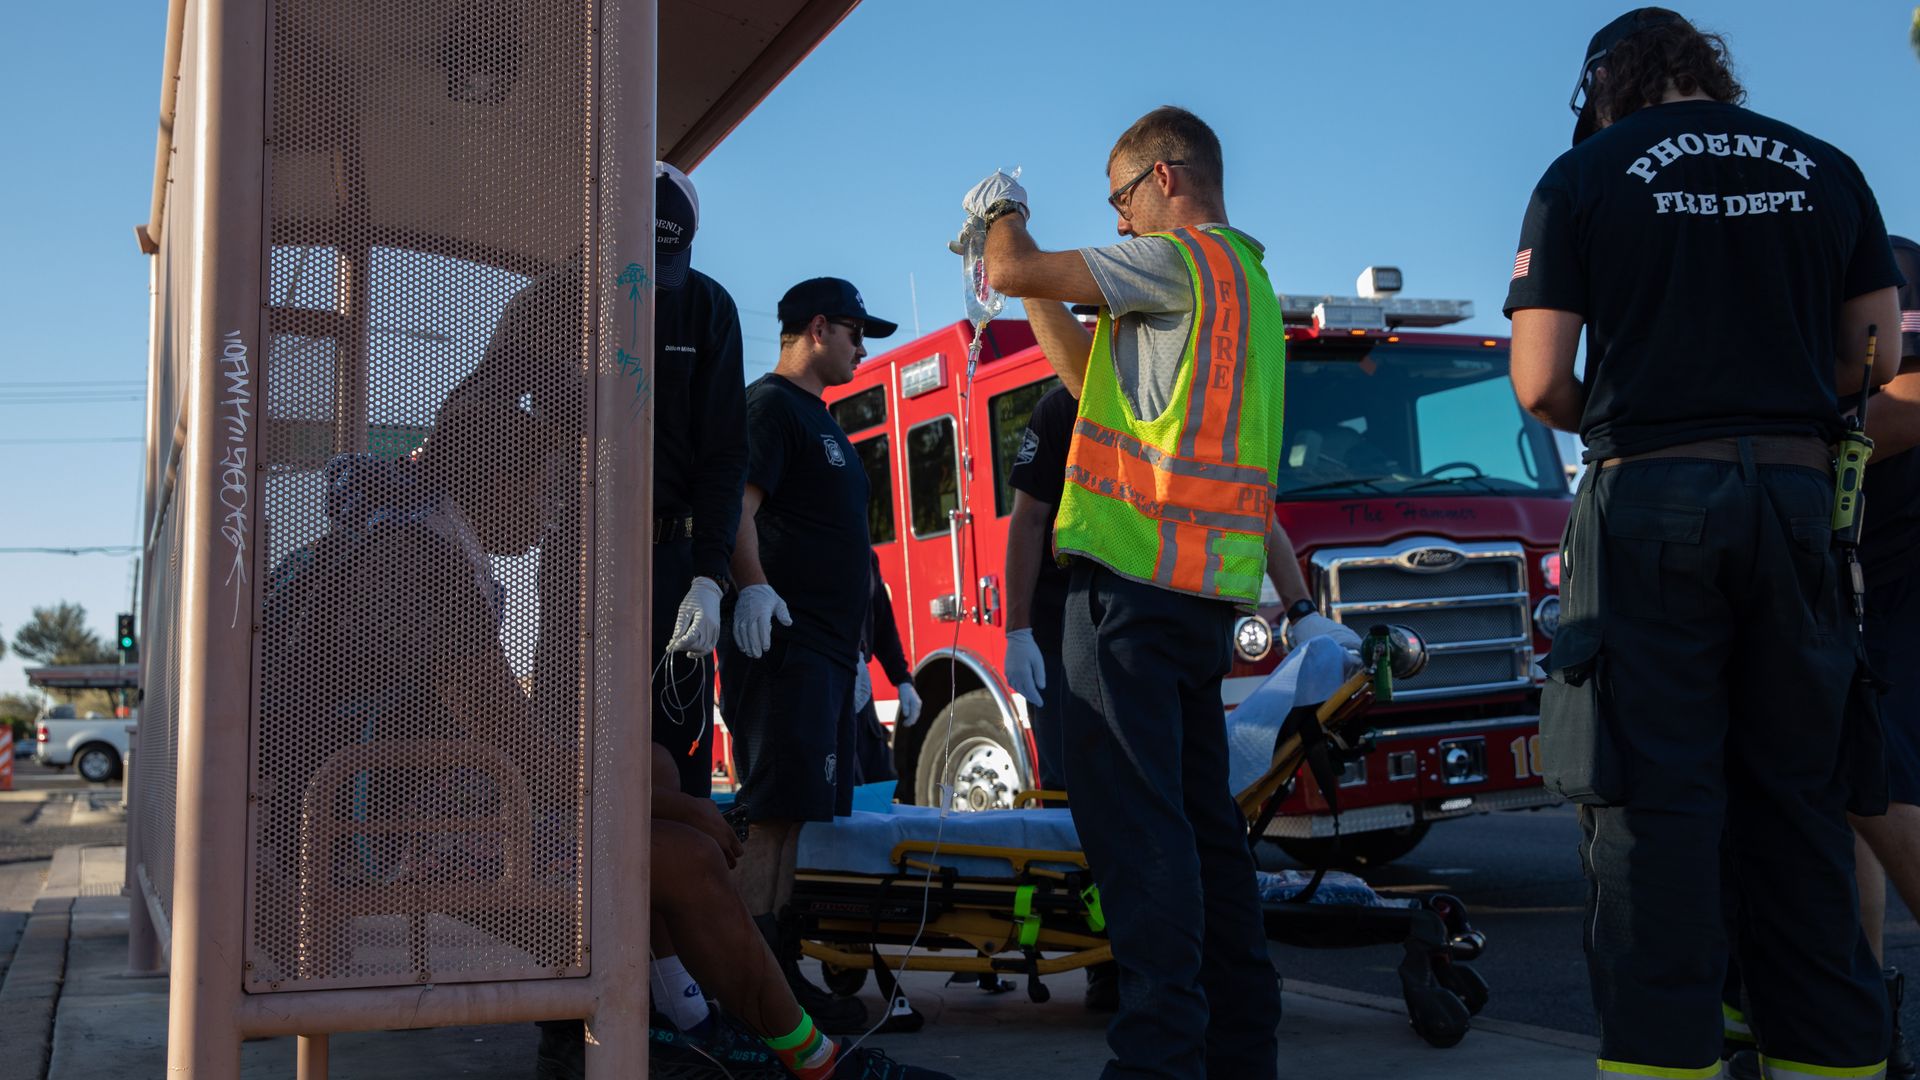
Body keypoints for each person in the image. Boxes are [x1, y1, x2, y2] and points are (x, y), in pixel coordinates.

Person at [1505, 10, 1903, 1078]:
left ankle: (1665, 1060)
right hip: (1794, 492)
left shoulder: (1584, 171)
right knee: (1802, 801)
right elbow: (1875, 351)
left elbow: (1539, 381)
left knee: (1652, 811)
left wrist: (1641, 414)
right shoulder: (1828, 167)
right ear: (1709, 71)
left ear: (1608, 84)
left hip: (1649, 501)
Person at [965, 105, 1287, 1079]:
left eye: (1120, 200)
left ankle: (1155, 1062)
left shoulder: (1185, 257)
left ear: (1167, 178)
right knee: (1202, 838)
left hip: (1123, 608)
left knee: (1138, 843)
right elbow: (1083, 375)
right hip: (1191, 611)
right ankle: (1238, 1054)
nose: (1117, 226)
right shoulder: (1247, 290)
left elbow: (1016, 266)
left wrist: (1000, 212)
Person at [721, 277, 897, 1033]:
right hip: (782, 646)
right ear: (818, 329)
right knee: (768, 815)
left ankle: (779, 970)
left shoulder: (821, 422)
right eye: (857, 333)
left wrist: (858, 653)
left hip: (826, 653)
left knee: (794, 816)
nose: (862, 349)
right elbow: (738, 510)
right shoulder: (770, 409)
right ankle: (748, 989)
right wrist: (755, 590)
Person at [649, 161, 748, 798]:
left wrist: (710, 577)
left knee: (679, 761)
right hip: (583, 552)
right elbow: (482, 399)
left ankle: (666, 895)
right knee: (575, 743)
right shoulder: (563, 294)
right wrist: (553, 400)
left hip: (674, 560)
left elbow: (723, 453)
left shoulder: (707, 305)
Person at [853, 548, 921, 786]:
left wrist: (902, 679)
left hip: (859, 686)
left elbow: (882, 622)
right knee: (845, 784)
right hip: (824, 681)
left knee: (879, 778)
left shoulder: (866, 555)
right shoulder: (814, 542)